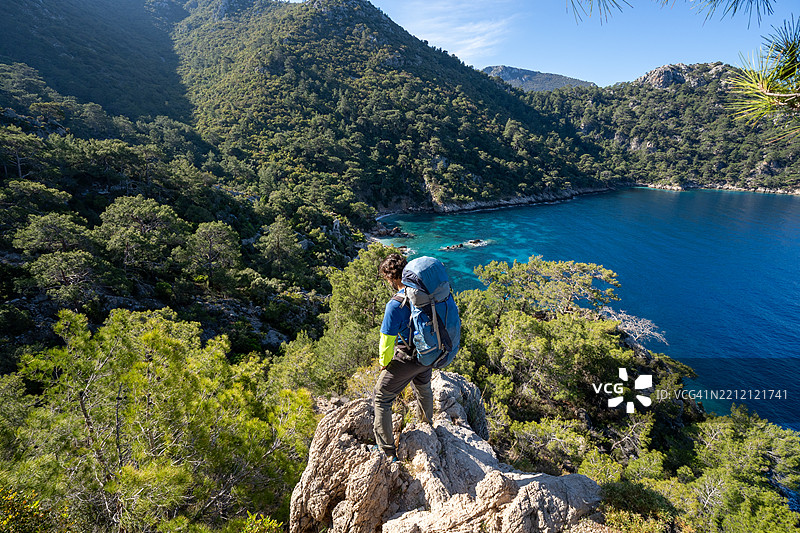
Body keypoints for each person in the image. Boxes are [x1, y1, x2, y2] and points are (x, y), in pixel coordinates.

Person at [373, 253, 434, 461]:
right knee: (423, 388)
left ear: (391, 278)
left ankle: (386, 452)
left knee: (381, 397)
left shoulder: (395, 304)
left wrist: (384, 364)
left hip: (408, 357)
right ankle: (427, 427)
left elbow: (386, 341)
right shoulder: (424, 293)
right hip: (428, 354)